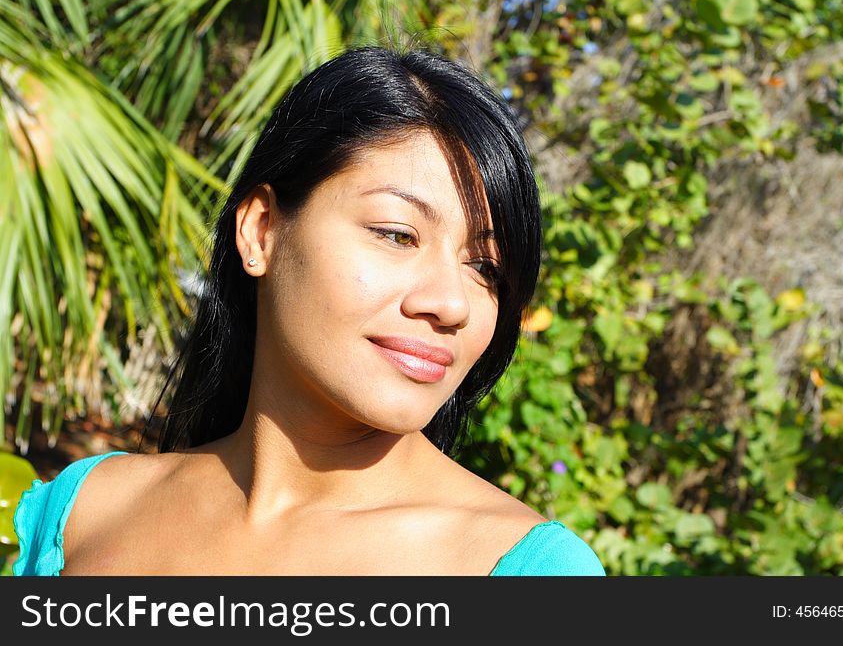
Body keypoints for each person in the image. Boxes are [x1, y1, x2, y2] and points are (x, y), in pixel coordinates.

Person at [13, 46, 605, 576]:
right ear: (262, 231)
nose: (451, 304)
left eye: (486, 270)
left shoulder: (526, 570)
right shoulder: (80, 513)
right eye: (398, 234)